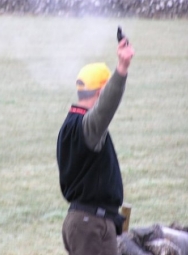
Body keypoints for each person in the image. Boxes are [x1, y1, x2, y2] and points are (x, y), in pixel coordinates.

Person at [56, 38, 134, 255]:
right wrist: (122, 68)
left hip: (84, 223)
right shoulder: (87, 129)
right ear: (100, 93)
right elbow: (106, 108)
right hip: (92, 226)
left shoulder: (70, 125)